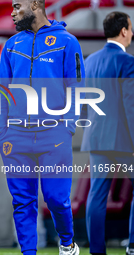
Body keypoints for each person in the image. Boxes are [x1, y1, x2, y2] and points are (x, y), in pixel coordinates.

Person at [0, 0, 85, 254]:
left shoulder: (67, 42)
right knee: (23, 202)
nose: (12, 12)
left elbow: (77, 88)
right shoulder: (12, 45)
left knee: (57, 199)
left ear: (35, 5)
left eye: (16, 6)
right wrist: (2, 131)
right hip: (16, 135)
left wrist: (67, 127)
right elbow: (3, 91)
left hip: (54, 133)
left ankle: (67, 243)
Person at [80, 11, 134, 255]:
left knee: (97, 195)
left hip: (96, 138)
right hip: (124, 141)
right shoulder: (128, 62)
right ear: (123, 31)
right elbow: (130, 105)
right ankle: (132, 245)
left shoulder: (89, 61)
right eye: (131, 28)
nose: (132, 33)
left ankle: (97, 251)